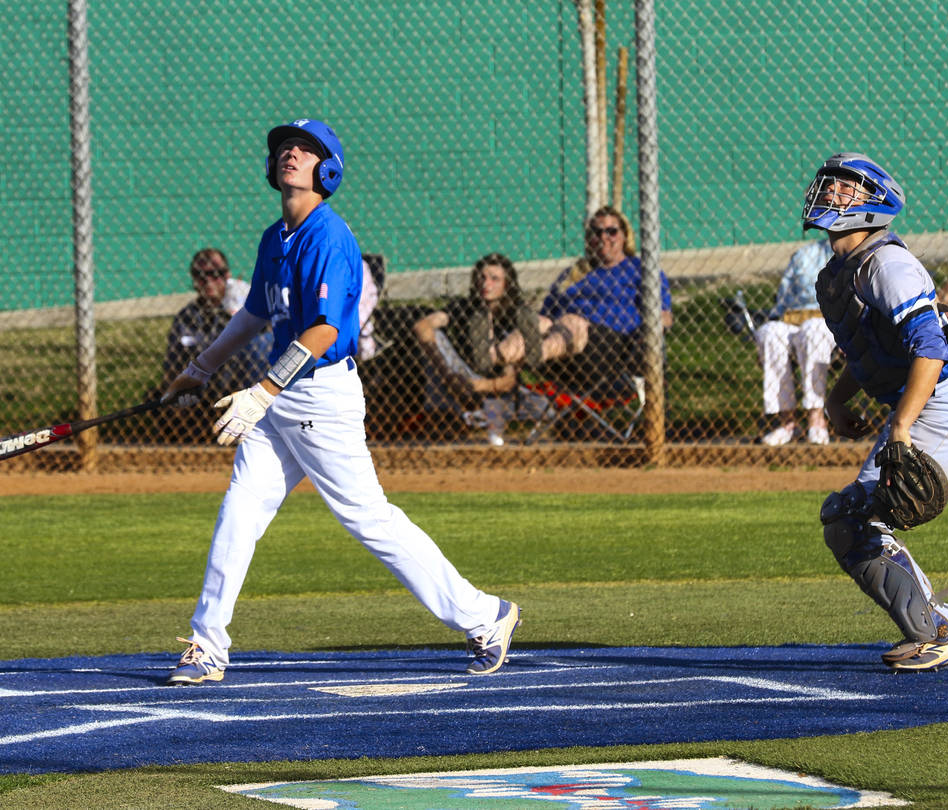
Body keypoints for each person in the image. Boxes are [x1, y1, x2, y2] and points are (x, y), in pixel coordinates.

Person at [160, 117, 521, 684]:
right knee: (240, 509)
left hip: (320, 396)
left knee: (368, 519)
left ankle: (485, 615)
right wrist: (199, 367)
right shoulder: (273, 238)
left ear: (327, 169)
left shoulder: (329, 236)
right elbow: (255, 314)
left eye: (304, 149)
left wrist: (262, 390)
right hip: (279, 399)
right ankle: (208, 644)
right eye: (284, 147)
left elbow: (325, 330)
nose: (290, 155)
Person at [809, 152, 948, 671]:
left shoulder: (886, 262)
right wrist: (837, 398)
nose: (831, 192)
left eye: (846, 187)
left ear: (877, 202)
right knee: (849, 517)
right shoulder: (838, 273)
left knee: (857, 518)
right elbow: (870, 348)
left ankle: (940, 630)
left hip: (944, 399)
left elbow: (929, 344)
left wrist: (900, 427)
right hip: (926, 401)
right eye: (830, 184)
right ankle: (944, 623)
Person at [413, 253, 545, 445]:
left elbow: (510, 380)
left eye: (494, 279)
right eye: (482, 278)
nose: (486, 284)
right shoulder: (465, 307)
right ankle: (449, 418)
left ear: (507, 284)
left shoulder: (516, 313)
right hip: (461, 375)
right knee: (434, 336)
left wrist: (475, 387)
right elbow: (422, 326)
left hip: (502, 388)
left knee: (543, 410)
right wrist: (448, 374)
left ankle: (478, 415)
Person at [534, 206, 672, 380]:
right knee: (536, 323)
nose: (603, 237)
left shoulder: (641, 271)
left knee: (573, 322)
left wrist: (649, 333)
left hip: (612, 352)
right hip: (562, 351)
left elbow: (664, 316)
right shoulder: (574, 272)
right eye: (596, 232)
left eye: (611, 231)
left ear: (625, 236)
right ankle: (495, 356)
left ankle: (536, 353)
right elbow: (546, 313)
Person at [156, 248, 267, 441]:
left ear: (227, 276)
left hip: (241, 386)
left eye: (214, 274)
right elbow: (172, 365)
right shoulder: (186, 318)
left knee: (258, 344)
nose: (207, 281)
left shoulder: (246, 307)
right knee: (158, 398)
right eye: (200, 275)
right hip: (202, 391)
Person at [754, 239, 836, 446]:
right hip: (797, 317)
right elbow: (784, 298)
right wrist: (779, 316)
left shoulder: (855, 252)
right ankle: (786, 422)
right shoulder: (804, 255)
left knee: (813, 330)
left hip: (833, 323)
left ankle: (816, 418)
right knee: (770, 333)